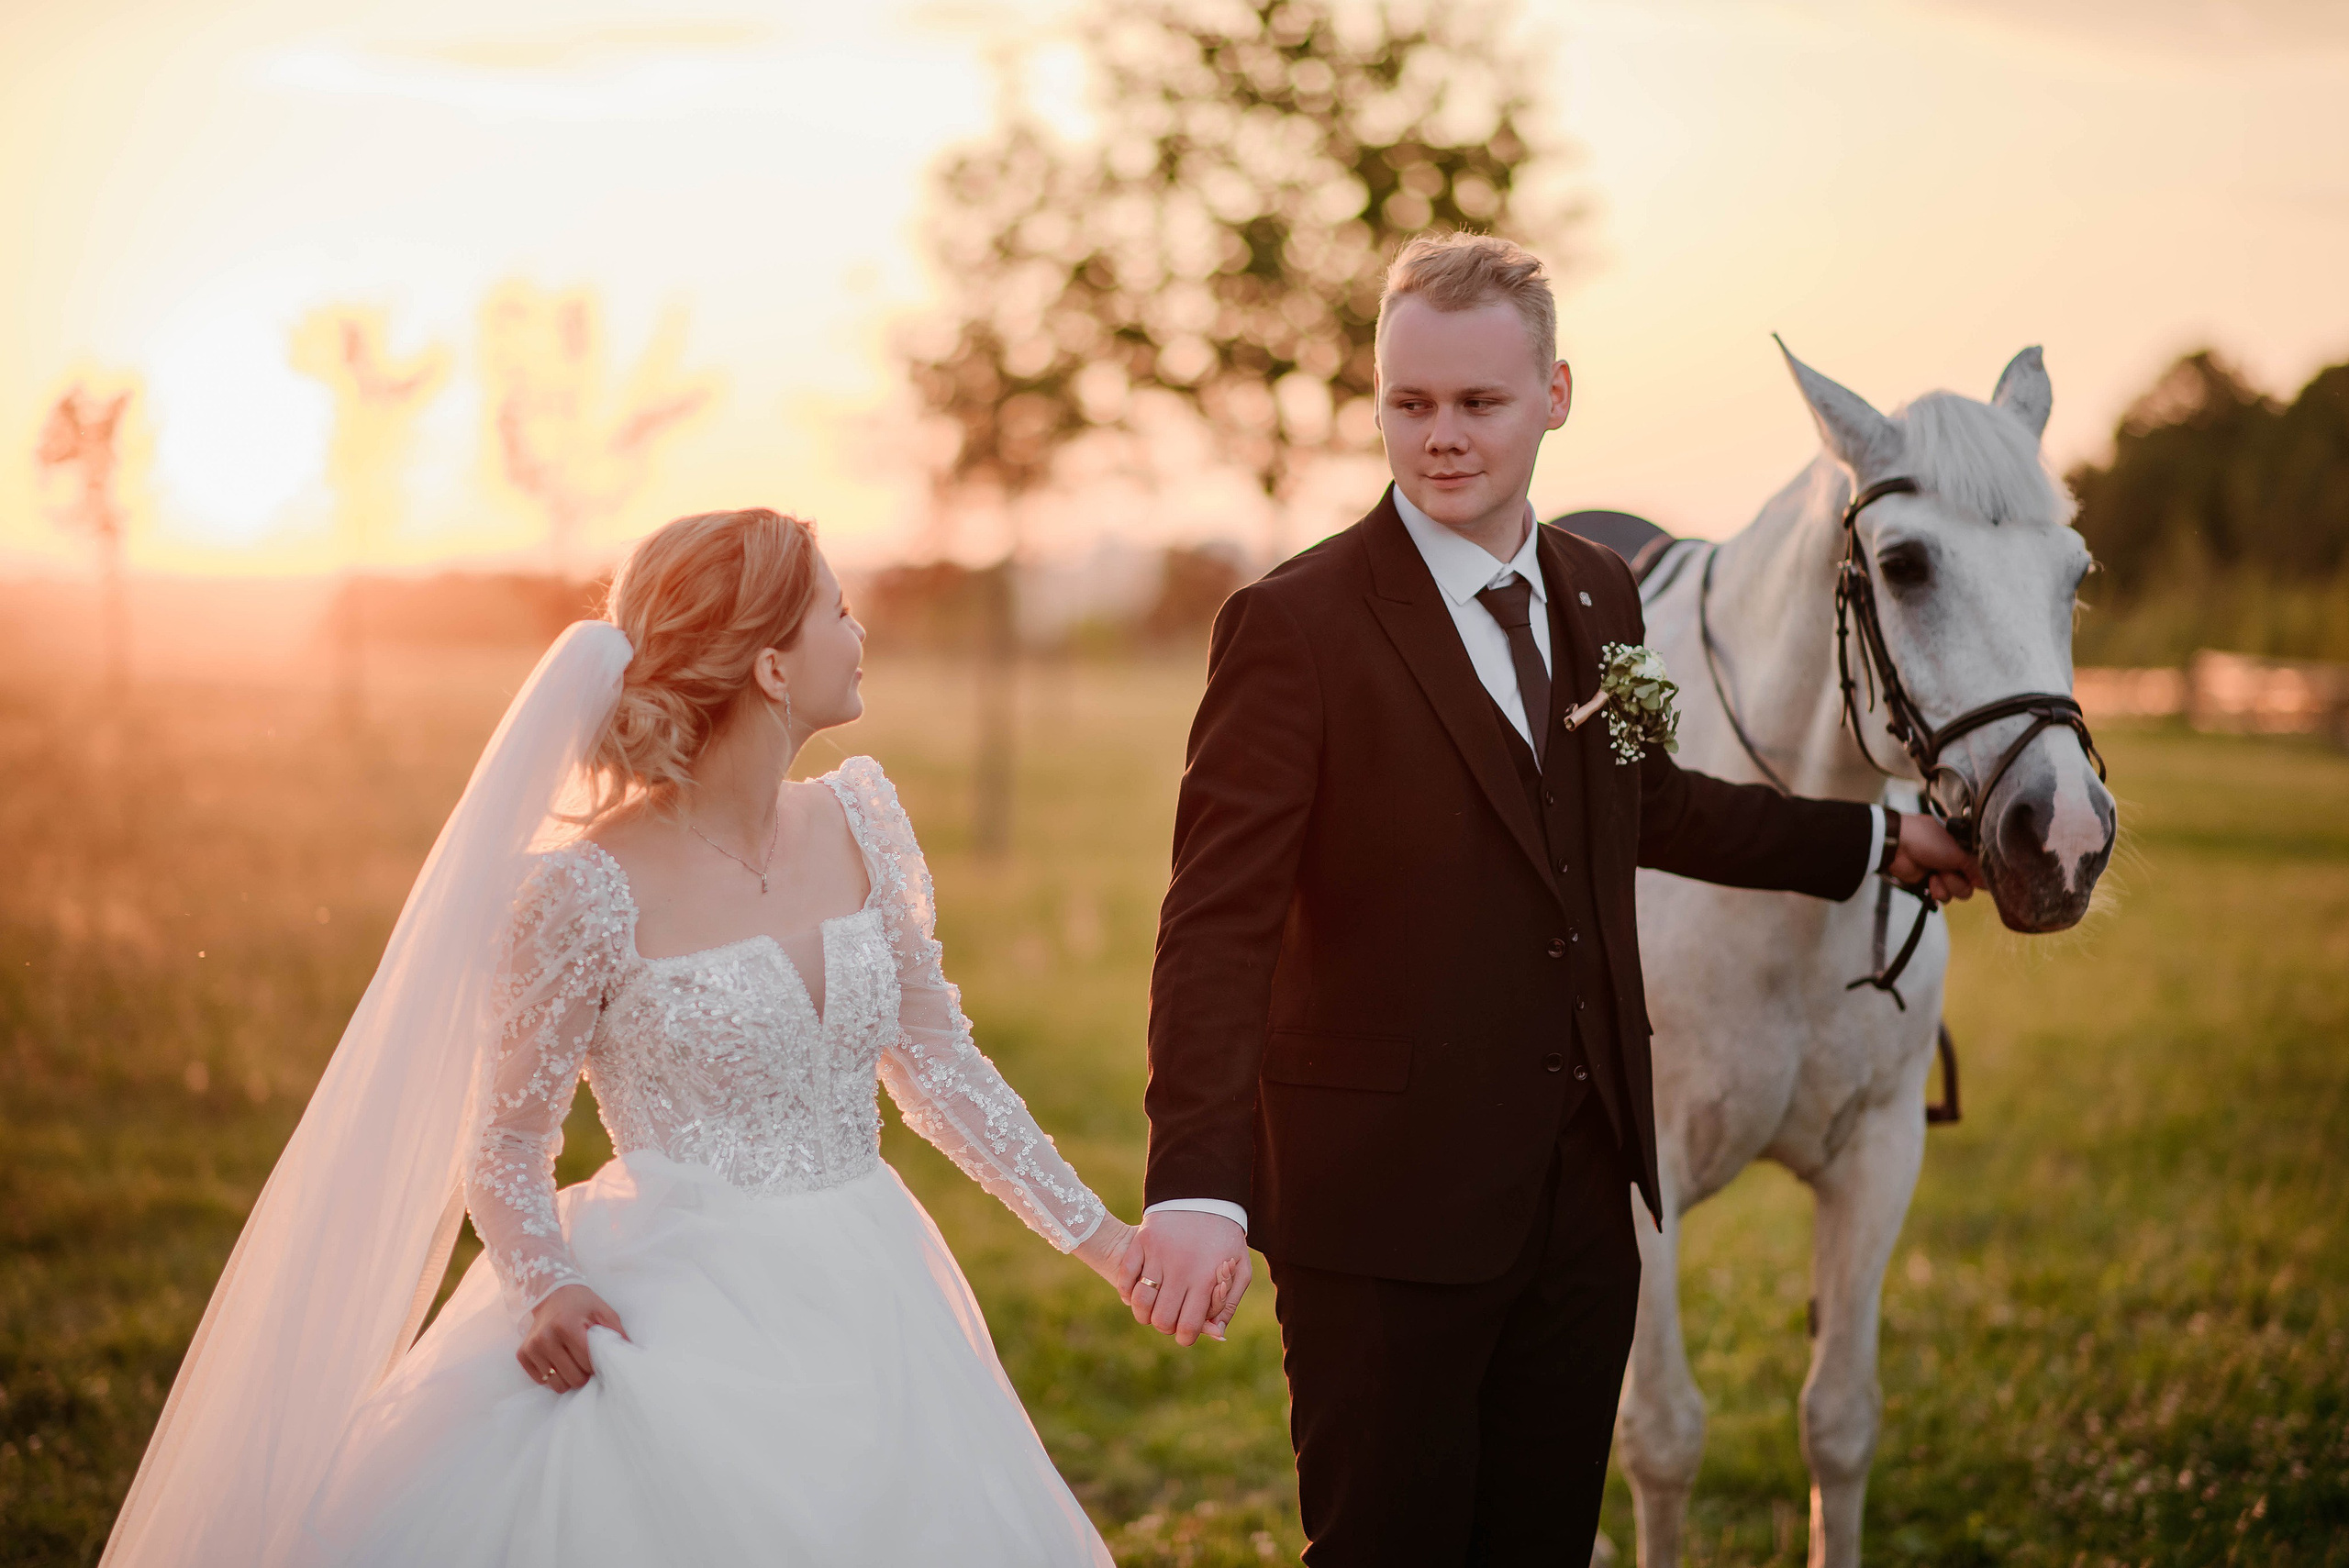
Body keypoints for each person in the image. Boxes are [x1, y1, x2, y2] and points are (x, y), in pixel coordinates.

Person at [1123, 234, 1982, 1565]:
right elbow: (1213, 927)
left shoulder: (1601, 593)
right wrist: (1194, 1181)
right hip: (1380, 1216)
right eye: (1410, 404)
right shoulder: (1292, 627)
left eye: (1479, 403)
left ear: (1556, 395)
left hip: (1584, 1211)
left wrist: (1877, 844)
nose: (1442, 438)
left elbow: (1653, 800)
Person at [104, 508, 1139, 1568]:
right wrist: (545, 1283)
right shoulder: (582, 890)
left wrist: (1105, 1238)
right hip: (676, 1311)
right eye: (839, 608)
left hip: (875, 1286)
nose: (860, 630)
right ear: (773, 669)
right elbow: (505, 1142)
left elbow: (937, 1062)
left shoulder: (863, 818)